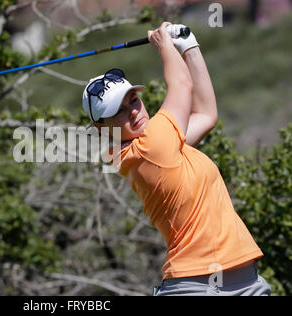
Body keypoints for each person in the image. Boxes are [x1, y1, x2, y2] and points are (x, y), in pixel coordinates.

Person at [81, 22, 271, 296]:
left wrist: (189, 46)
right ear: (102, 127)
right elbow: (182, 83)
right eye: (119, 112)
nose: (134, 112)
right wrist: (164, 44)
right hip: (197, 286)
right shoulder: (151, 148)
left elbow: (206, 115)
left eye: (133, 100)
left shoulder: (151, 148)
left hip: (245, 281)